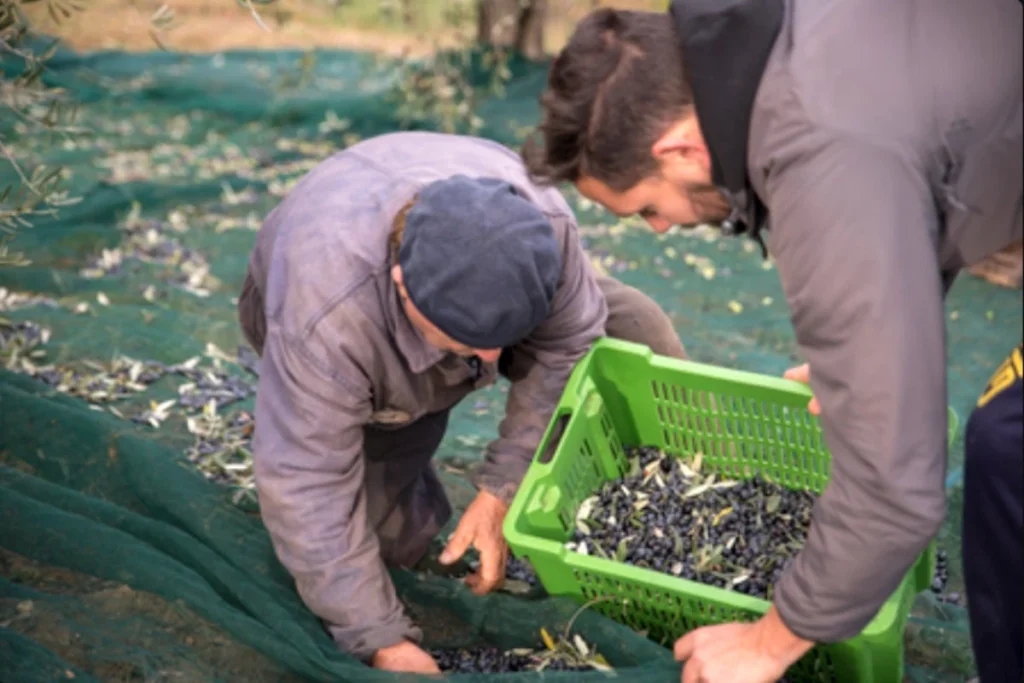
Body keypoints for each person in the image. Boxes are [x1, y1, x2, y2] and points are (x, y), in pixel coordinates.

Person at [520, 2, 1022, 682]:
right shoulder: (787, 46)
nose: (660, 229)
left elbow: (894, 491)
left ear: (679, 150)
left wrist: (769, 640)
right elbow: (922, 161)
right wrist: (868, 347)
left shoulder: (816, 155)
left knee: (1007, 450)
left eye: (645, 207)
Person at [237, 131, 688, 674]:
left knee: (633, 326)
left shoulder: (544, 226)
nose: (494, 357)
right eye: (468, 340)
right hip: (349, 317)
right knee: (377, 549)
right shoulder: (328, 324)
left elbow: (567, 344)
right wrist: (381, 640)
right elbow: (305, 481)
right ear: (404, 285)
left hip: (488, 267)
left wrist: (503, 488)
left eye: (503, 337)